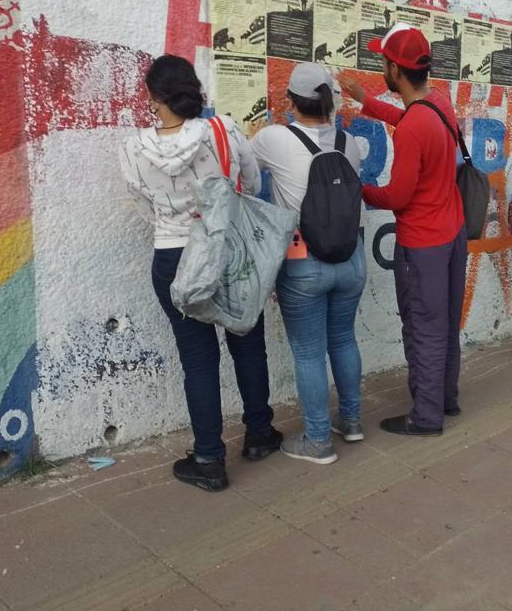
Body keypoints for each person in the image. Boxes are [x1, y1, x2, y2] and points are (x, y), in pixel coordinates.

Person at [118, 55, 280, 492]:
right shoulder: (223, 129)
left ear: (152, 97)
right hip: (229, 250)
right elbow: (251, 182)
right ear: (194, 88)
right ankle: (260, 434)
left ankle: (208, 458)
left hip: (173, 259)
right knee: (248, 343)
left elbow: (142, 208)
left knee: (198, 361)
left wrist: (178, 222)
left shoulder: (134, 147)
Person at [337, 24, 467, 437]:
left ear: (394, 69)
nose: (381, 66)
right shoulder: (439, 104)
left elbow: (398, 196)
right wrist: (367, 102)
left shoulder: (414, 128)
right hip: (452, 233)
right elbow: (411, 116)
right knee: (444, 322)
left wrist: (358, 189)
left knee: (423, 325)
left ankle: (425, 415)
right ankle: (445, 397)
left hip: (423, 244)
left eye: (383, 61)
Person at [251, 63, 366, 465]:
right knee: (344, 339)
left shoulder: (273, 138)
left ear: (291, 101)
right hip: (351, 259)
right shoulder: (348, 142)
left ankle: (318, 440)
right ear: (330, 101)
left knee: (309, 353)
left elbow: (248, 175)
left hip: (304, 262)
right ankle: (351, 421)